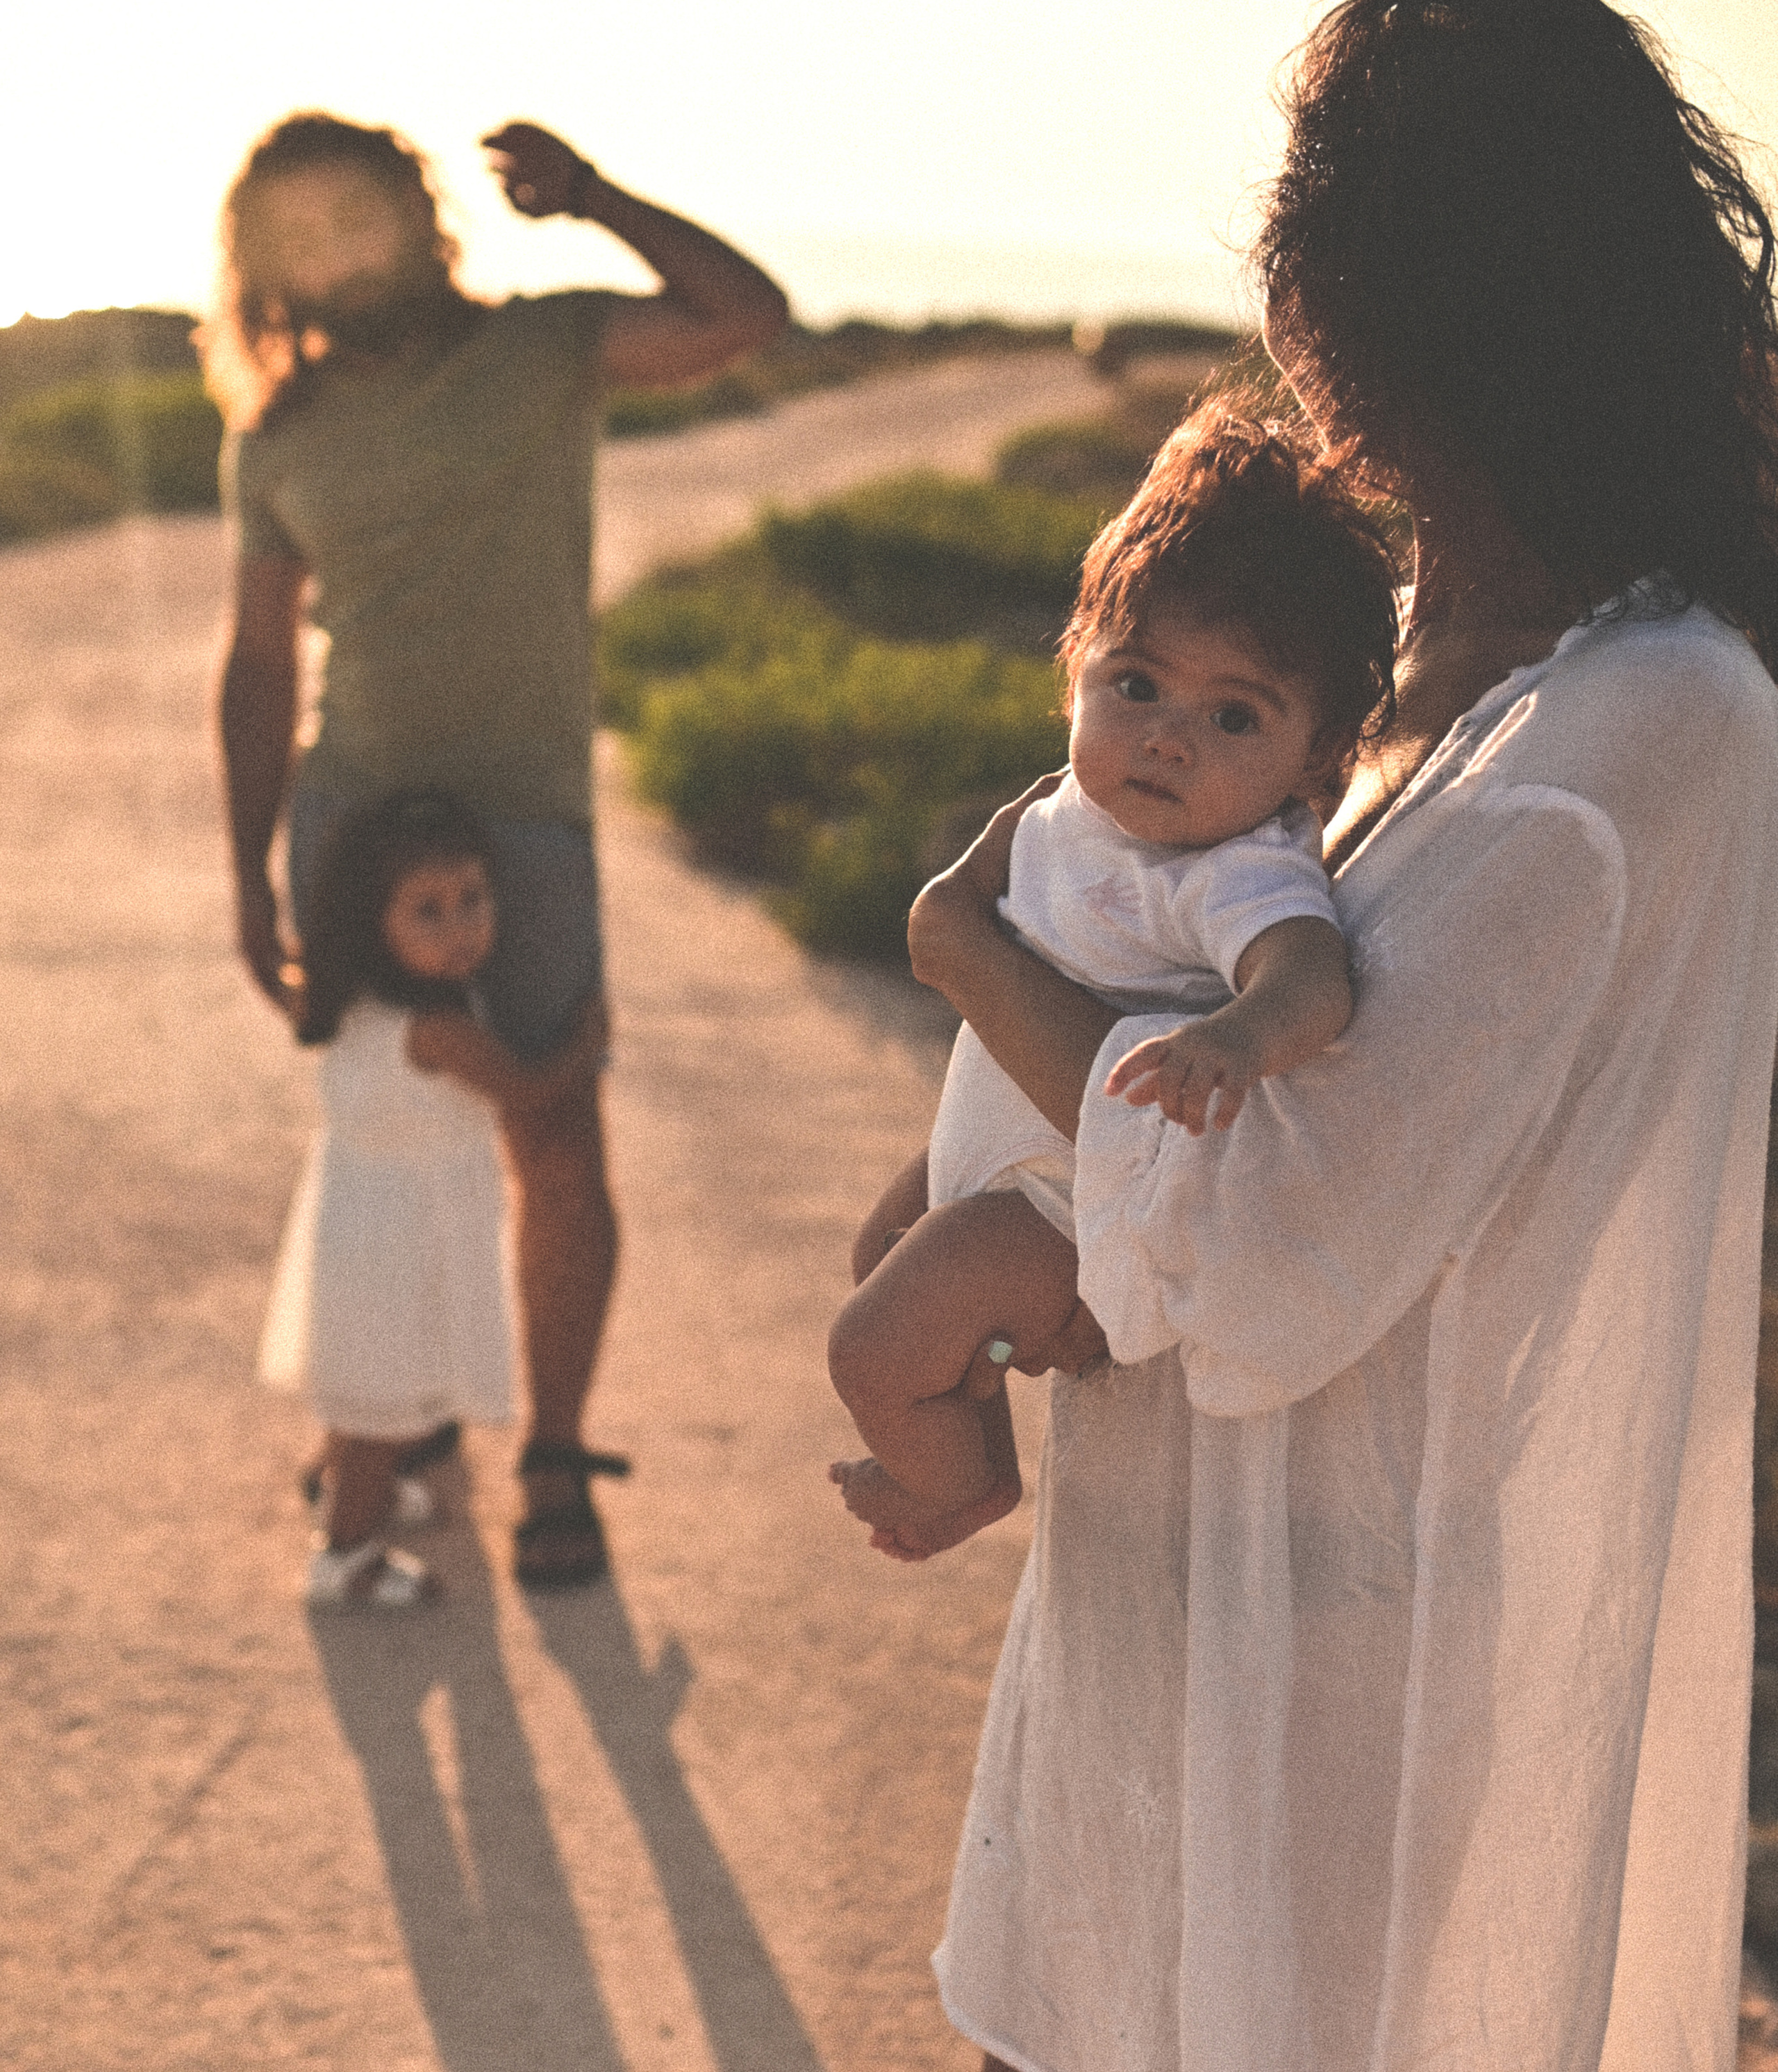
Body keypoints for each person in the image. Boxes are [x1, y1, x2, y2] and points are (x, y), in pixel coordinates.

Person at [888, 0, 1778, 2071]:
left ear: (1374, 295)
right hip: (1194, 1611)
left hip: (1332, 1658)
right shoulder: (1439, 661)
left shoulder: (1628, 726)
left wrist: (969, 960)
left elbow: (1275, 1251)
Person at [209, 113, 788, 1586]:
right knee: (386, 1137)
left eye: (364, 214)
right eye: (305, 234)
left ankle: (549, 1454)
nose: (341, 252)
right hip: (351, 825)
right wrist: (243, 881)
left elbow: (743, 318)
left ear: (420, 214)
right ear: (269, 264)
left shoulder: (545, 351)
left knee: (550, 1128)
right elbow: (260, 667)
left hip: (521, 818)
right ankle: (394, 1421)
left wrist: (593, 195)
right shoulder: (276, 426)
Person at [827, 411, 1397, 1559]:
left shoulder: (1236, 870)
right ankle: (967, 1407)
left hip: (1072, 1199)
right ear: (1077, 662)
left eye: (1234, 715)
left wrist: (1238, 1038)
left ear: (1325, 759)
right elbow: (958, 909)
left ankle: (964, 1491)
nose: (1169, 738)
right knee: (877, 1258)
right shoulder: (1067, 812)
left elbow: (1311, 979)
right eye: (1135, 684)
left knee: (869, 1347)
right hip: (1007, 1140)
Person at [261, 788, 606, 1609]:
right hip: (404, 1238)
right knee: (383, 1403)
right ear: (372, 920)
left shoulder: (354, 1003)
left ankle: (355, 1486)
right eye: (428, 911)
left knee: (369, 1384)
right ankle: (346, 1554)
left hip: (366, 1223)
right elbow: (526, 1089)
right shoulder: (437, 1029)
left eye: (472, 901)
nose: (461, 930)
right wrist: (583, 1042)